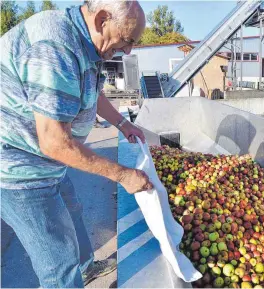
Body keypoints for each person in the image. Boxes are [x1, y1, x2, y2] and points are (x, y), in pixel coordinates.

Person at [0, 1, 153, 287]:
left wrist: (123, 124)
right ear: (102, 20)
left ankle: (87, 267)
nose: (129, 50)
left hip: (49, 163)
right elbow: (54, 142)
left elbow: (92, 94)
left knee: (72, 209)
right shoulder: (55, 48)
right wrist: (123, 175)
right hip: (19, 169)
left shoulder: (87, 44)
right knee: (58, 263)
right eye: (128, 40)